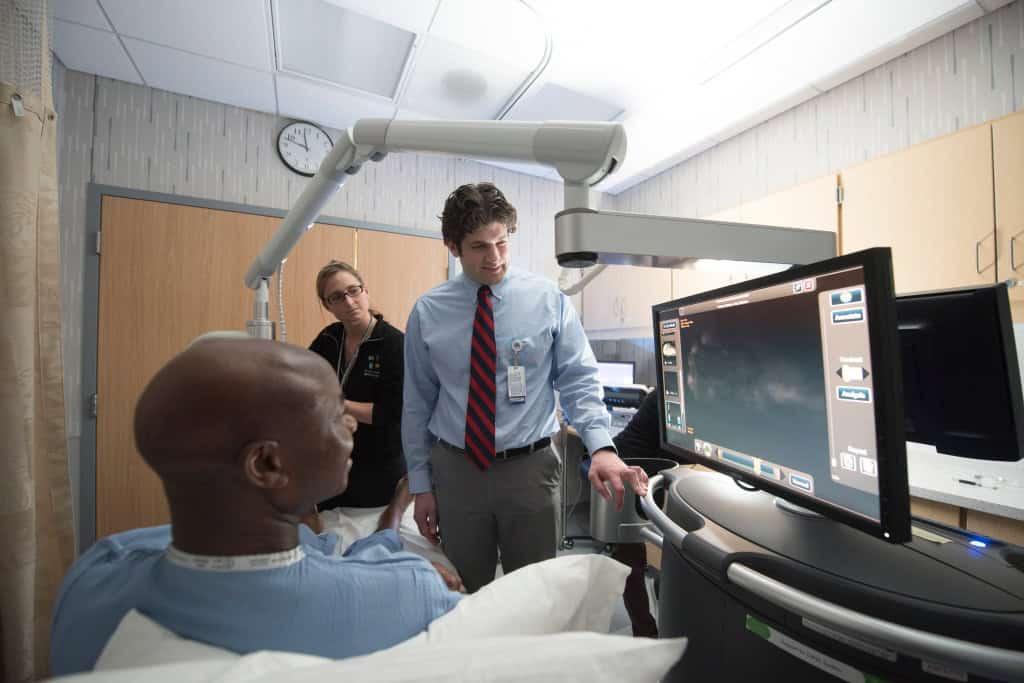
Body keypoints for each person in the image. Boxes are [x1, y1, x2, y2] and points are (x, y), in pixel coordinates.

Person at [50, 338, 461, 675]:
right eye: (336, 416)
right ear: (266, 464)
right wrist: (394, 517)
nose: (351, 424)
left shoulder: (94, 577)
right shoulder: (411, 590)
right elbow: (356, 577)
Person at [402, 182, 648, 593]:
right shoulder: (429, 312)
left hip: (530, 470)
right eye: (479, 246)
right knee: (465, 592)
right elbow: (416, 404)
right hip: (457, 472)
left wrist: (601, 447)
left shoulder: (547, 300)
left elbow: (578, 378)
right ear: (453, 246)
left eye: (501, 242)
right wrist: (421, 485)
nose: (495, 257)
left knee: (535, 592)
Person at [309, 261, 405, 509]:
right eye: (337, 297)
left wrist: (338, 404)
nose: (349, 302)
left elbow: (390, 413)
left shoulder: (394, 344)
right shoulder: (328, 338)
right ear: (328, 305)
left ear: (365, 291)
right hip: (333, 464)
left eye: (353, 291)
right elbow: (306, 382)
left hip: (379, 471)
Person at [607, 390, 671, 638]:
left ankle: (650, 629)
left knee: (635, 556)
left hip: (646, 471)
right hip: (627, 472)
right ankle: (645, 631)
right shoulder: (667, 397)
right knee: (631, 560)